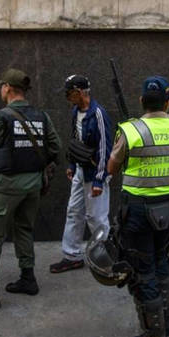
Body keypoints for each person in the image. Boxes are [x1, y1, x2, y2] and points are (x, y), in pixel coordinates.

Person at [0, 68, 60, 311]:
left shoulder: (1, 117)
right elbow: (56, 146)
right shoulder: (42, 116)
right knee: (24, 229)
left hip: (7, 184)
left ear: (7, 88)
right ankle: (28, 279)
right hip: (34, 182)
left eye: (1, 86)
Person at [107, 76, 169, 337]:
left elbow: (111, 168)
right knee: (161, 262)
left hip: (136, 212)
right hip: (167, 208)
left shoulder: (130, 131)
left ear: (142, 101)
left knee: (142, 271)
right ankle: (166, 321)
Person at [49, 75, 112, 273]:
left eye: (69, 93)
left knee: (97, 218)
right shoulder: (76, 111)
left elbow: (104, 149)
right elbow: (75, 140)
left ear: (79, 92)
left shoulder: (99, 114)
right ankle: (72, 255)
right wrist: (72, 164)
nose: (67, 98)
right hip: (80, 170)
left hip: (95, 173)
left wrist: (99, 180)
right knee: (74, 211)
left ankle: (104, 257)